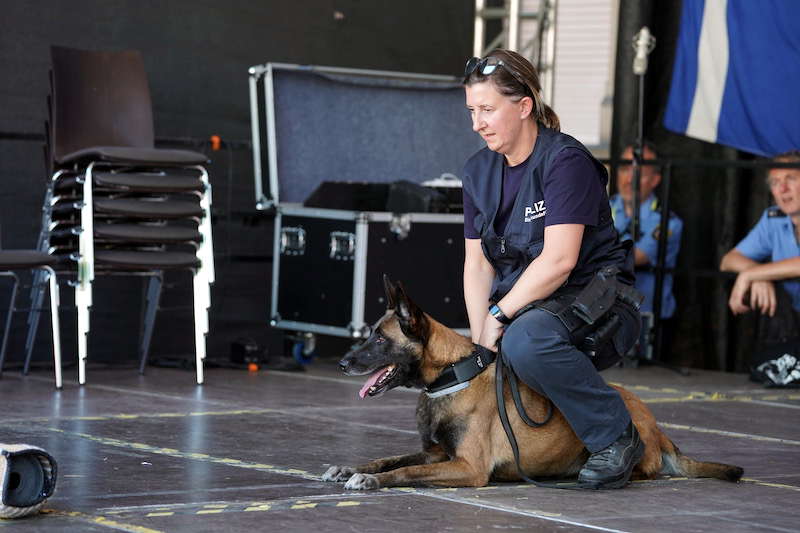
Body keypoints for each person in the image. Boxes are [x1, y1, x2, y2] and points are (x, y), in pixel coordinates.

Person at [461, 50, 643, 489]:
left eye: (487, 109)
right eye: (471, 110)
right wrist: (480, 341)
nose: (476, 123)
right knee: (492, 350)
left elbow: (559, 261)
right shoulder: (477, 171)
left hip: (598, 301)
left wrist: (500, 317)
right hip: (532, 303)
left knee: (527, 342)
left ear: (524, 107)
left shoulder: (565, 162)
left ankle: (617, 436)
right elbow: (476, 262)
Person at [719, 150, 800, 360]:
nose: (782, 189)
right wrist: (758, 275)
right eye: (774, 182)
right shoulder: (774, 218)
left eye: (790, 178)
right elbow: (729, 260)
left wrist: (751, 275)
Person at [610, 143, 683, 355]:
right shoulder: (602, 206)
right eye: (625, 170)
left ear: (655, 180)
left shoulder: (666, 220)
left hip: (648, 317)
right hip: (605, 312)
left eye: (639, 173)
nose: (629, 179)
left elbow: (637, 257)